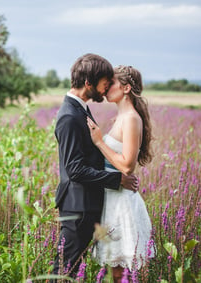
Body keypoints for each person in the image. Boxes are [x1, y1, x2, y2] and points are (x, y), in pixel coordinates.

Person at [51, 54, 139, 281]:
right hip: (77, 208)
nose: (107, 86)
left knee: (69, 267)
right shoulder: (70, 116)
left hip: (87, 205)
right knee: (63, 270)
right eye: (104, 82)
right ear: (88, 82)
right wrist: (117, 179)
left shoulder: (80, 109)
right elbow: (75, 170)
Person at [87, 65, 155, 282]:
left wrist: (99, 141)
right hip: (112, 196)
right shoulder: (121, 118)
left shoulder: (131, 119)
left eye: (112, 82)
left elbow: (127, 167)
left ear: (126, 88)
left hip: (122, 202)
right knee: (114, 271)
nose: (106, 87)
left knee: (120, 273)